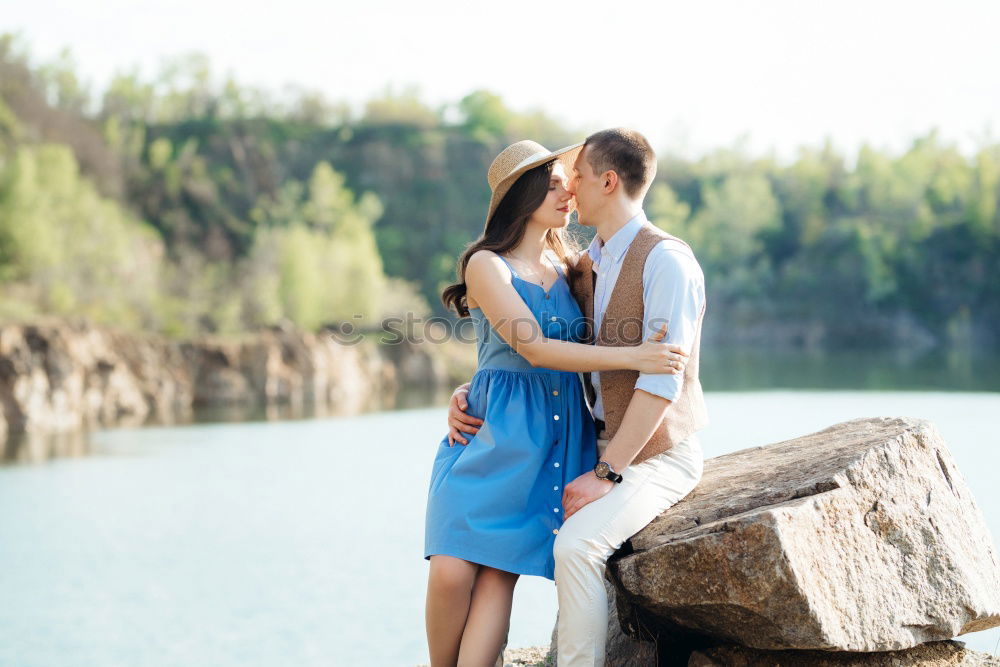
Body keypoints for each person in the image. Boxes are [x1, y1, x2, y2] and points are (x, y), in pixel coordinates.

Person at [446, 128, 708, 666]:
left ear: (608, 181)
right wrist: (475, 386)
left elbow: (662, 382)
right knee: (482, 568)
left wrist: (607, 472)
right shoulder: (582, 265)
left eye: (579, 178)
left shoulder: (667, 262)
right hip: (591, 446)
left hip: (655, 453)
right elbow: (537, 345)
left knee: (576, 547)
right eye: (559, 183)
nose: (570, 190)